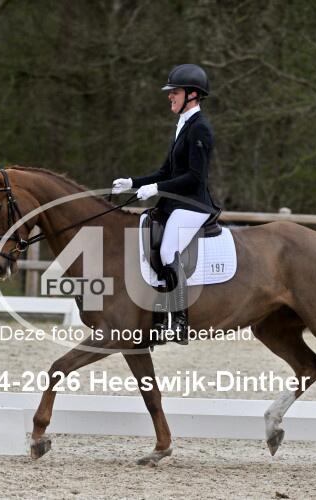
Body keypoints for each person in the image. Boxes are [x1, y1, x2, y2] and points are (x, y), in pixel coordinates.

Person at [112, 63, 219, 345]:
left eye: (175, 92)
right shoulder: (183, 125)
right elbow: (166, 172)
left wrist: (157, 189)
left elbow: (195, 177)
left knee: (168, 250)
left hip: (194, 205)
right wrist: (133, 182)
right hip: (175, 204)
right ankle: (156, 321)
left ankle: (180, 321)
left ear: (192, 95)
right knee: (150, 242)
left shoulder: (200, 129)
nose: (170, 96)